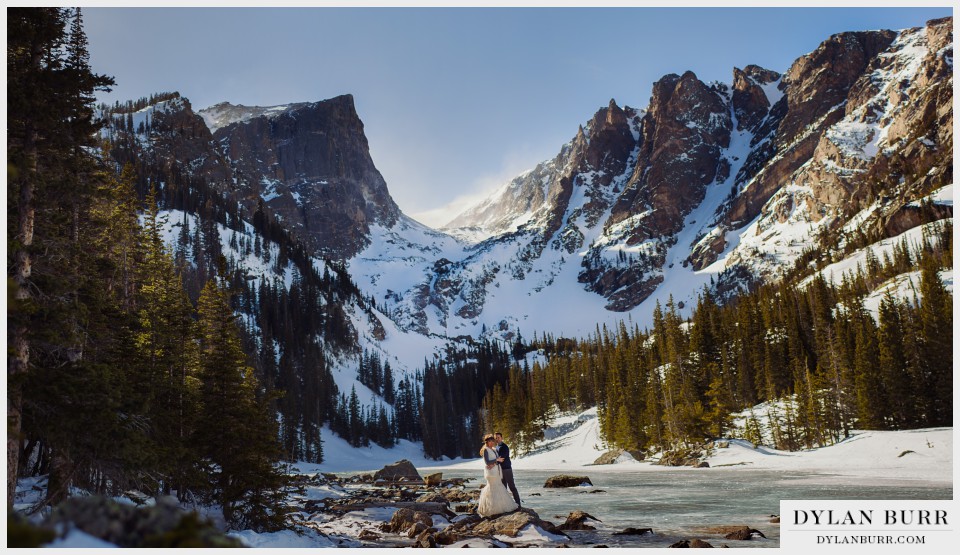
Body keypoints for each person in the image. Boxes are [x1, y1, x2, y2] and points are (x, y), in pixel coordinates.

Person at [477, 434, 518, 517]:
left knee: (499, 487)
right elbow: (487, 462)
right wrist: (495, 460)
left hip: (497, 470)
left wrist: (495, 462)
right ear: (487, 442)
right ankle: (490, 508)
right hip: (491, 472)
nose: (492, 442)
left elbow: (500, 459)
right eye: (490, 441)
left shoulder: (494, 449)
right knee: (492, 488)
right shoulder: (486, 450)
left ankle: (500, 506)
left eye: (492, 441)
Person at [495, 432, 521, 507]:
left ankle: (518, 504)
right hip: (500, 470)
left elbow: (502, 459)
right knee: (503, 488)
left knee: (512, 487)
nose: (497, 439)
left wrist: (493, 461)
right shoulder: (496, 447)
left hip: (507, 469)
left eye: (498, 437)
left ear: (502, 438)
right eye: (496, 438)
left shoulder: (505, 447)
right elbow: (498, 459)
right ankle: (505, 505)